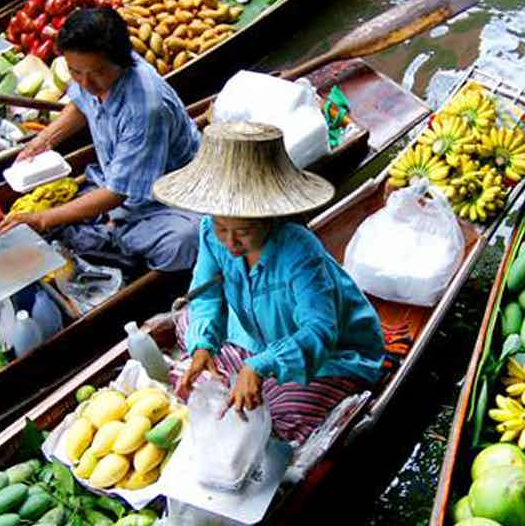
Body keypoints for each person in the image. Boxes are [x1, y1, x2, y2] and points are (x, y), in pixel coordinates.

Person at [157, 122, 387, 445]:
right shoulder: (211, 233)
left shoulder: (299, 251)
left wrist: (261, 365)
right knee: (188, 326)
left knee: (278, 414)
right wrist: (203, 347)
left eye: (244, 232)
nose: (230, 243)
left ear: (268, 216)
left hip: (332, 352)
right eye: (222, 228)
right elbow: (208, 297)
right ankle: (240, 366)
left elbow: (320, 330)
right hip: (259, 336)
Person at [0, 6, 201, 271]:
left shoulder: (145, 109)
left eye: (96, 72)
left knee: (182, 243)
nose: (86, 82)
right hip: (112, 181)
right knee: (69, 205)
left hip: (167, 197)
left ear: (122, 60)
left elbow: (118, 193)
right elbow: (82, 103)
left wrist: (43, 219)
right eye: (75, 72)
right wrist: (45, 139)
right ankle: (108, 228)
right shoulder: (94, 78)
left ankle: (114, 237)